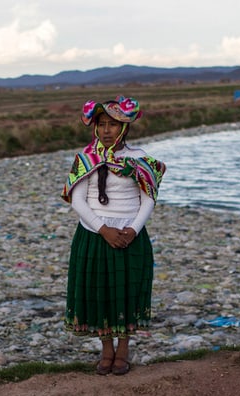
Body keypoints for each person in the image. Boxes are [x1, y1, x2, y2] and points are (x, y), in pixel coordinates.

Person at [61, 96, 166, 375]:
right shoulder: (85, 159)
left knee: (127, 291)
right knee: (100, 292)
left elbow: (148, 200)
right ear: (95, 127)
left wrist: (132, 230)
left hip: (131, 236)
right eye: (102, 124)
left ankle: (123, 349)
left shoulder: (140, 160)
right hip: (94, 236)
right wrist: (103, 229)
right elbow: (78, 201)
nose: (107, 130)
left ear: (125, 128)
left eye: (113, 124)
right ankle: (106, 349)